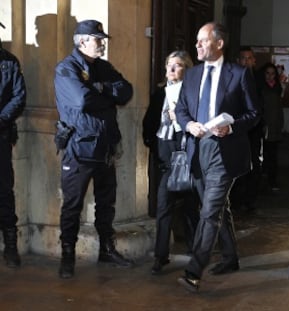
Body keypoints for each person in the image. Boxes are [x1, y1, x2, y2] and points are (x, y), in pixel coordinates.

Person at [175, 22, 260, 292]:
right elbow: (180, 110)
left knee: (209, 213)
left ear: (219, 43)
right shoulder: (191, 75)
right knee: (219, 207)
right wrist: (189, 125)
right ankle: (230, 257)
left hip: (225, 151)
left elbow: (254, 113)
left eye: (203, 41)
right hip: (198, 150)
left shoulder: (239, 74)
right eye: (197, 41)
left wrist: (232, 126)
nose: (197, 45)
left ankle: (194, 271)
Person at [54, 20, 133, 279]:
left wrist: (102, 88)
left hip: (105, 146)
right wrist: (104, 96)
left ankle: (107, 249)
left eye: (102, 39)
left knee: (106, 203)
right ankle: (67, 256)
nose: (102, 43)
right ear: (82, 41)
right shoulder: (66, 69)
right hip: (80, 147)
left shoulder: (103, 67)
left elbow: (126, 92)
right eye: (97, 39)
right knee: (73, 205)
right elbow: (81, 100)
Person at [142, 50, 199, 275]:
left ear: (187, 69)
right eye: (169, 66)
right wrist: (152, 143)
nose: (171, 70)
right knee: (163, 206)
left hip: (185, 155)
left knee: (189, 206)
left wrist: (179, 119)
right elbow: (150, 121)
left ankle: (196, 250)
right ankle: (160, 255)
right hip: (165, 158)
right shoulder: (159, 93)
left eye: (177, 66)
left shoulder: (193, 93)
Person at [0, 31, 26, 268]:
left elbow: (19, 97)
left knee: (4, 192)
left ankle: (10, 245)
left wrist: (1, 119)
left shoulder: (9, 62)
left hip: (1, 133)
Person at [230, 46, 263, 212]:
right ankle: (236, 199)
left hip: (255, 129)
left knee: (254, 163)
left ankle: (250, 198)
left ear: (254, 60)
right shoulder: (232, 78)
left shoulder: (258, 79)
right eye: (243, 58)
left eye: (250, 58)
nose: (247, 61)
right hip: (237, 128)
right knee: (238, 163)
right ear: (238, 60)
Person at [259, 62, 284, 192]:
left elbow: (279, 108)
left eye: (273, 73)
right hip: (264, 126)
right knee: (264, 155)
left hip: (275, 126)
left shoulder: (277, 87)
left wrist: (280, 123)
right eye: (267, 73)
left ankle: (272, 181)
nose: (270, 76)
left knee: (273, 155)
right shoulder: (261, 88)